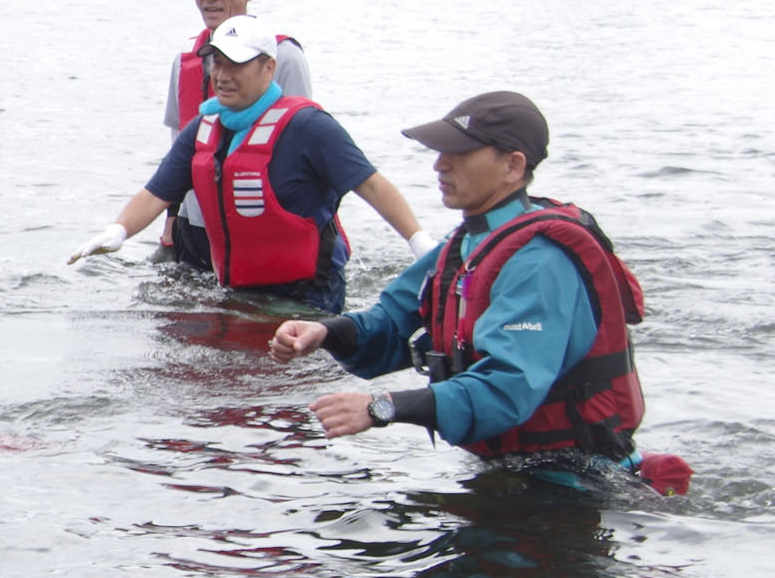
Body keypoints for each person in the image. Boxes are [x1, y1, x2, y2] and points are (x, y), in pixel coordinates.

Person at [269, 91, 685, 492]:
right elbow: (392, 319)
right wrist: (324, 332)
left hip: (575, 484)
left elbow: (508, 386)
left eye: (459, 154)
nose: (439, 165)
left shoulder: (541, 261)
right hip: (513, 472)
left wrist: (384, 407)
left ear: (513, 166)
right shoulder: (467, 242)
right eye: (440, 152)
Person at [70, 15, 432, 313]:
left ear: (268, 68)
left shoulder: (308, 127)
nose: (223, 76)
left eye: (237, 65)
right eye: (218, 63)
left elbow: (371, 184)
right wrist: (117, 231)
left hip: (308, 298)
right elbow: (156, 193)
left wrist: (418, 243)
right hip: (237, 292)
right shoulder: (203, 130)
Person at [161, 0, 311, 262]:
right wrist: (170, 220)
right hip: (196, 227)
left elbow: (304, 150)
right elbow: (177, 155)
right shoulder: (184, 60)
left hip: (259, 227)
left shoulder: (283, 58)